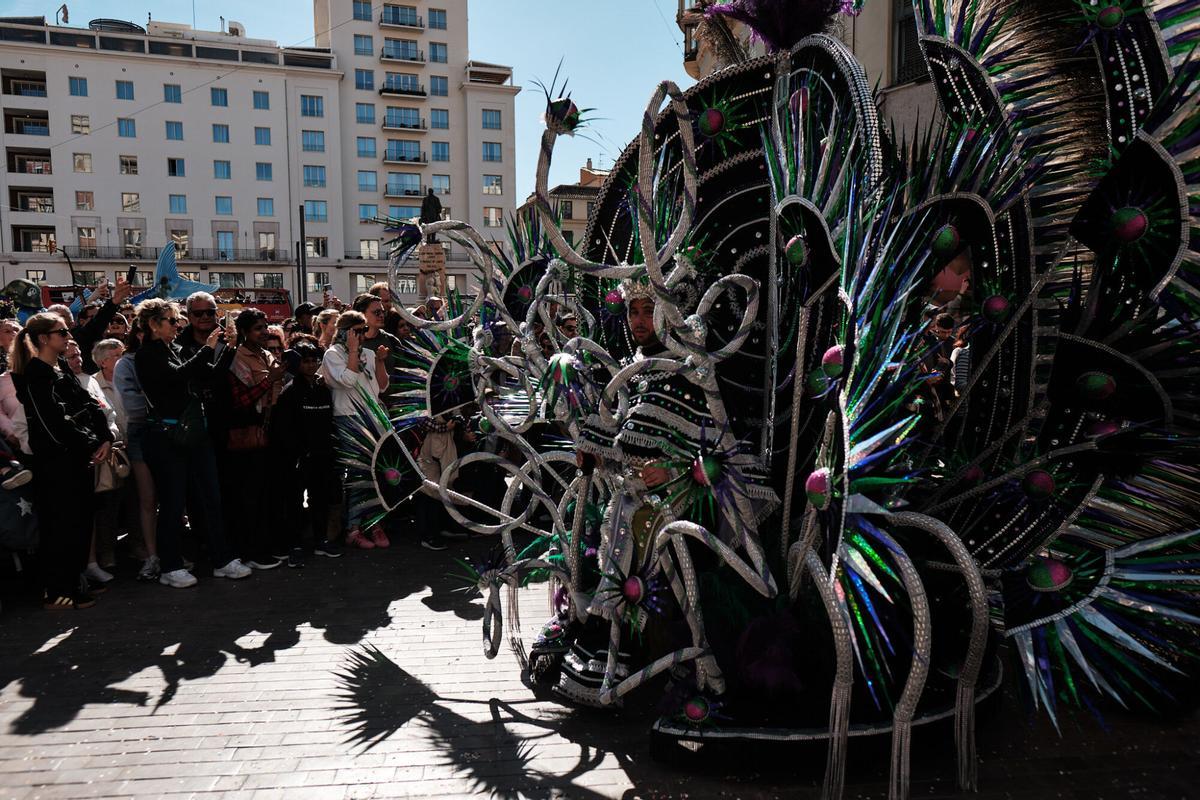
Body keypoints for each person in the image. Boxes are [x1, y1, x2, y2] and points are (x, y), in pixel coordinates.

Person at [135, 299, 251, 587]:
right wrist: (209, 348)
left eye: (177, 320)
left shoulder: (176, 349)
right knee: (173, 503)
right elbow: (177, 376)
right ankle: (170, 566)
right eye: (172, 320)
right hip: (167, 437)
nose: (178, 325)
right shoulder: (146, 354)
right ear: (153, 324)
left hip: (195, 433)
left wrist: (230, 348)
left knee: (211, 498)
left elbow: (208, 374)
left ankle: (221, 559)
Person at [9, 313, 115, 609]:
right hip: (56, 465)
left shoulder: (60, 370)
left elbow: (89, 404)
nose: (68, 337)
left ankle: (74, 580)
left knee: (79, 523)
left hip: (77, 460)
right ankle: (58, 589)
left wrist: (104, 435)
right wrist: (91, 442)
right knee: (60, 526)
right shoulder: (34, 375)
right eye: (62, 332)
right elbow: (53, 422)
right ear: (44, 338)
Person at [222, 309, 288, 570]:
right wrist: (270, 380)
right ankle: (251, 550)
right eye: (258, 328)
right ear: (245, 332)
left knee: (267, 493)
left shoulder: (266, 353)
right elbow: (242, 399)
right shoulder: (238, 357)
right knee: (250, 495)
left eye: (266, 327)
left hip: (270, 430)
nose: (264, 332)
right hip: (248, 431)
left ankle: (266, 544)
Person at [321, 311, 390, 549]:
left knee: (374, 473)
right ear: (345, 332)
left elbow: (381, 386)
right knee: (358, 474)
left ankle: (373, 522)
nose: (363, 335)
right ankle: (353, 527)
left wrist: (380, 361)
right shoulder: (332, 354)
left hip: (373, 417)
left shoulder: (368, 353)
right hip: (349, 417)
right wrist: (352, 351)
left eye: (364, 331)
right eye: (358, 331)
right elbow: (348, 381)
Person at [270, 339, 343, 562]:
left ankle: (321, 540)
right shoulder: (289, 392)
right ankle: (295, 546)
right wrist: (297, 454)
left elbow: (328, 421)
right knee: (293, 503)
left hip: (323, 455)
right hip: (298, 458)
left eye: (314, 361)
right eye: (306, 361)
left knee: (319, 499)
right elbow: (283, 428)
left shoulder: (323, 389)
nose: (311, 365)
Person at [114, 318, 160, 582]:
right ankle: (152, 555)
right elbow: (133, 407)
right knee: (147, 499)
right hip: (141, 433)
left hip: (168, 433)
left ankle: (169, 550)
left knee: (172, 497)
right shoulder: (126, 363)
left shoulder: (169, 356)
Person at [88, 338, 128, 581]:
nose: (121, 358)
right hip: (109, 450)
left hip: (133, 445)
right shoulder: (94, 383)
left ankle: (138, 547)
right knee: (108, 504)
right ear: (103, 362)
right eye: (116, 355)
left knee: (136, 500)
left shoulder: (129, 378)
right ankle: (107, 552)